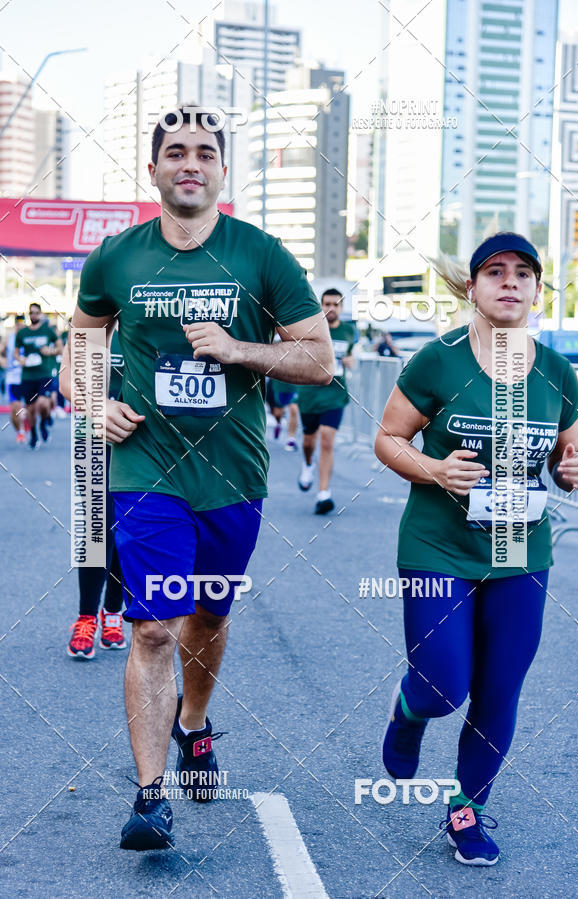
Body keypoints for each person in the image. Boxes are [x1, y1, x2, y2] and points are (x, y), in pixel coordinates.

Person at [60, 107, 333, 851]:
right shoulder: (116, 258)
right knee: (151, 624)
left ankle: (194, 723)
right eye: (174, 152)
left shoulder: (261, 254)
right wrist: (93, 401)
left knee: (206, 618)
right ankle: (151, 796)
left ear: (221, 172)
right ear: (152, 171)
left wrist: (243, 349)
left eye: (205, 153)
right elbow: (79, 346)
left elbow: (320, 358)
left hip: (233, 475)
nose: (190, 162)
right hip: (147, 468)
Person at [374, 233, 578, 866]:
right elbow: (390, 439)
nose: (510, 282)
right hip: (438, 545)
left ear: (537, 289)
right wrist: (436, 470)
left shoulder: (556, 372)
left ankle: (465, 813)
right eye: (494, 271)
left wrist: (573, 471)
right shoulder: (437, 361)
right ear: (472, 287)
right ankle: (410, 710)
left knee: (499, 691)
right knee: (443, 686)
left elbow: (564, 457)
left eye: (524, 273)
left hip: (521, 553)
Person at [67, 328, 126, 659]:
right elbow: (67, 383)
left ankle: (113, 613)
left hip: (140, 444)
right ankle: (86, 617)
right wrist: (103, 407)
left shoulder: (148, 320)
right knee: (95, 529)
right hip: (93, 441)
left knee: (124, 531)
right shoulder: (89, 326)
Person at [296, 288, 356, 514]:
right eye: (327, 304)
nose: (331, 308)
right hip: (310, 394)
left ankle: (323, 494)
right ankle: (308, 463)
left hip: (335, 395)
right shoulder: (310, 329)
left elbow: (351, 355)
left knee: (327, 439)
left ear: (341, 307)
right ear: (320, 306)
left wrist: (351, 360)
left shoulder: (349, 331)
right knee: (309, 442)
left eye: (336, 304)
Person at [14, 302, 62, 450]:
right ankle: (34, 433)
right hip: (28, 376)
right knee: (30, 408)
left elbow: (61, 348)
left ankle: (44, 422)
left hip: (45, 374)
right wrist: (20, 359)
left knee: (43, 403)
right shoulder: (22, 333)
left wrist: (51, 351)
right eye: (31, 313)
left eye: (36, 312)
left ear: (40, 314)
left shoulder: (48, 331)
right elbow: (15, 353)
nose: (33, 315)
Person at [1, 314, 26, 443]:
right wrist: (3, 362)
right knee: (14, 411)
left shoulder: (28, 337)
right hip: (12, 377)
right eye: (18, 323)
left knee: (26, 406)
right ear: (15, 325)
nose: (20, 325)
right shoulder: (9, 339)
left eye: (22, 323)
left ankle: (27, 422)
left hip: (27, 376)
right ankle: (20, 431)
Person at [266, 376, 299, 450]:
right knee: (277, 413)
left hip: (294, 387)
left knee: (294, 409)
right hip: (279, 386)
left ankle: (291, 439)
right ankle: (279, 423)